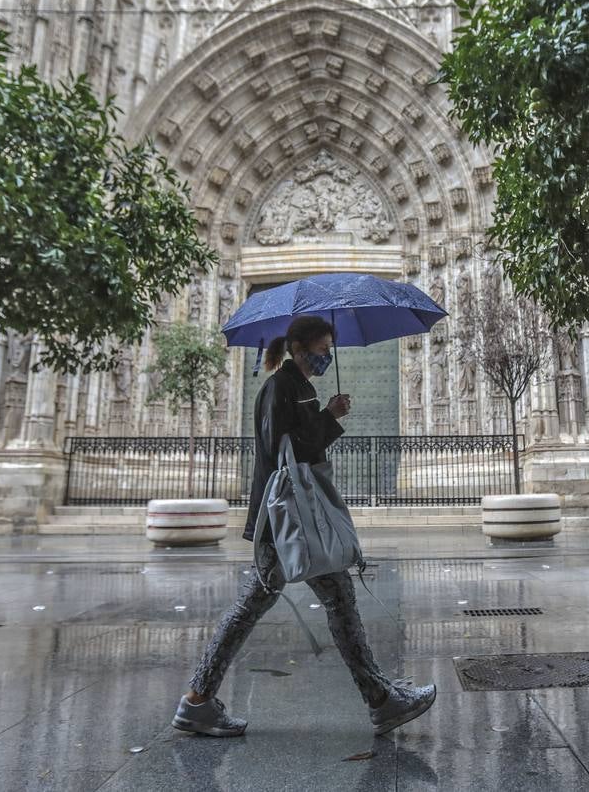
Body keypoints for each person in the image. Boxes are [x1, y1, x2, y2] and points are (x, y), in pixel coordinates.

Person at [172, 315, 436, 737]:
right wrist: (330, 417)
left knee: (277, 605)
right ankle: (381, 701)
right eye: (322, 350)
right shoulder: (282, 387)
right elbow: (287, 451)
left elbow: (295, 444)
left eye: (329, 350)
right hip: (286, 518)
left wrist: (324, 414)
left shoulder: (295, 387)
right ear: (298, 348)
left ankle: (197, 701)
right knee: (328, 601)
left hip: (285, 518)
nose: (326, 357)